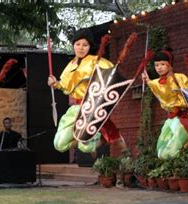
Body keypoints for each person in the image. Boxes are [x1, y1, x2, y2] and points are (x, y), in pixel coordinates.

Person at [47, 29, 128, 157]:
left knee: (93, 143)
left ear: (90, 47)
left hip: (91, 108)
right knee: (59, 144)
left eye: (85, 45)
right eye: (78, 44)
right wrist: (55, 83)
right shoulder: (70, 65)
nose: (81, 48)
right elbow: (66, 87)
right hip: (75, 109)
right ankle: (93, 140)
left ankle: (93, 141)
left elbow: (112, 74)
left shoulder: (94, 60)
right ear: (73, 45)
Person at [142, 49, 188, 159]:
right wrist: (147, 79)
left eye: (162, 64)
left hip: (185, 117)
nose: (159, 67)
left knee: (171, 151)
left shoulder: (180, 78)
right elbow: (153, 86)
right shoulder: (157, 83)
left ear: (170, 65)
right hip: (172, 118)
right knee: (160, 150)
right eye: (156, 65)